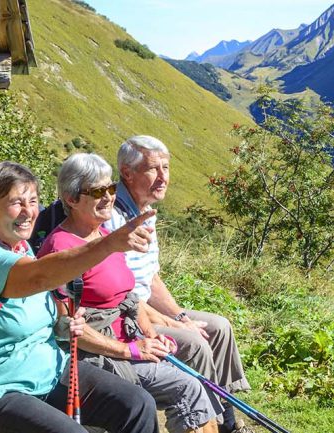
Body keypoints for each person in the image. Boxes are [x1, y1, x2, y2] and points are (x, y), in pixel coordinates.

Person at [0, 161, 159, 433]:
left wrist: (63, 325)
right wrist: (109, 244)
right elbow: (38, 277)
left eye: (33, 201)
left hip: (48, 369)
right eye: (16, 202)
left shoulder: (21, 248)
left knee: (136, 404)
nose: (28, 211)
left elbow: (36, 309)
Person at [42, 153, 222, 433]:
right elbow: (65, 328)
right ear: (71, 199)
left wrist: (151, 335)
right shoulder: (62, 250)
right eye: (97, 191)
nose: (108, 197)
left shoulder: (105, 237)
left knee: (191, 378)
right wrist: (131, 350)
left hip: (127, 340)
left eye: (111, 188)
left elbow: (129, 298)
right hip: (98, 355)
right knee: (188, 388)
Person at [101, 136, 250, 432]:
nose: (163, 177)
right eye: (153, 169)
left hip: (144, 307)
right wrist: (178, 325)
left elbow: (150, 277)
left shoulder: (145, 211)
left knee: (219, 326)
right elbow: (123, 292)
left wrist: (180, 316)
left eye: (166, 168)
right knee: (194, 342)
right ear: (127, 173)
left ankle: (227, 419)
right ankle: (205, 423)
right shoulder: (113, 217)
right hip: (127, 315)